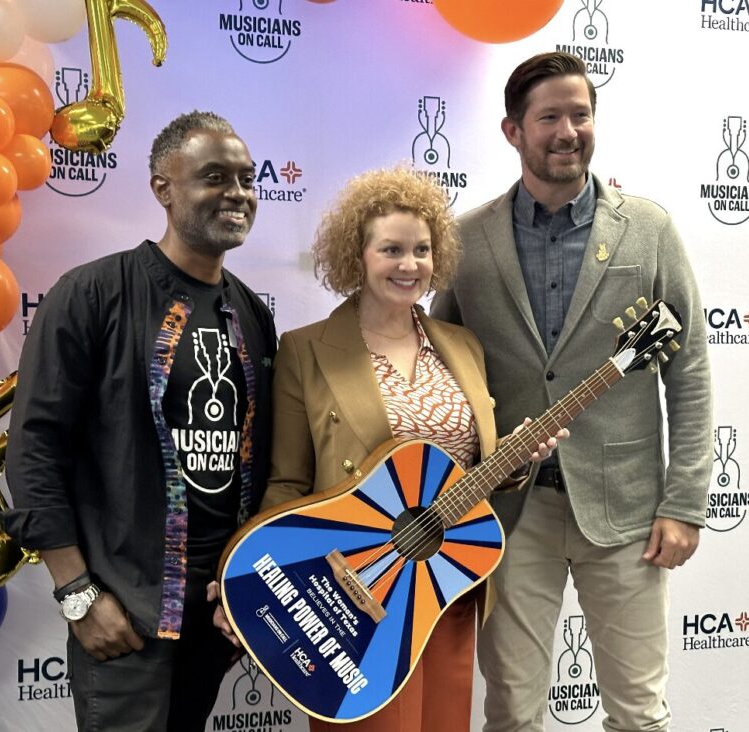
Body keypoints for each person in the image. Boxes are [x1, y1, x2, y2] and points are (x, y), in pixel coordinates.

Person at [431, 52, 713, 732]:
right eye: (549, 117)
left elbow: (691, 371)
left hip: (626, 513)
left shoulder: (649, 231)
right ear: (512, 132)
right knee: (513, 712)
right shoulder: (467, 239)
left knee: (638, 713)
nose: (567, 131)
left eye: (580, 115)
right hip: (507, 516)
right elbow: (439, 364)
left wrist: (685, 504)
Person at [255, 167, 563, 732]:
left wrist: (515, 463)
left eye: (422, 249)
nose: (409, 265)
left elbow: (473, 470)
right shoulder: (305, 350)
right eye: (391, 249)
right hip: (352, 595)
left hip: (449, 586)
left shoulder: (462, 345)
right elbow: (287, 483)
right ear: (358, 254)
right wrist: (255, 573)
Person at [3, 110, 276, 731]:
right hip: (124, 610)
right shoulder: (92, 294)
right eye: (214, 177)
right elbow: (34, 451)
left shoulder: (250, 314)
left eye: (245, 177)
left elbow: (262, 461)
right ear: (163, 187)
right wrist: (77, 594)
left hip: (218, 610)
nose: (236, 193)